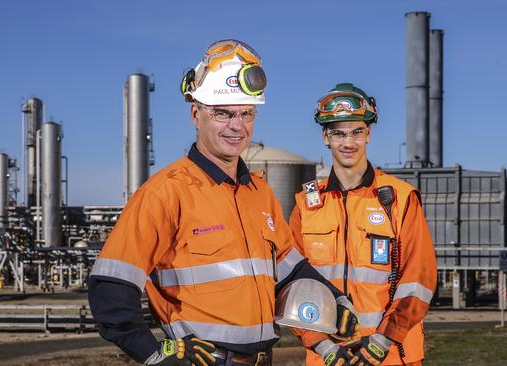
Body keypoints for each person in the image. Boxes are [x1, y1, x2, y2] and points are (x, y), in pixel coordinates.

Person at [88, 40, 357, 366]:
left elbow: (291, 270)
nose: (237, 126)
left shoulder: (259, 193)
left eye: (246, 113)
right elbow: (109, 288)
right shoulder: (164, 194)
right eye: (223, 114)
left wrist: (335, 299)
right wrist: (158, 354)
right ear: (195, 114)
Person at [288, 83, 438, 366]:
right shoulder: (307, 204)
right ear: (325, 137)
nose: (348, 142)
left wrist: (383, 341)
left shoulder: (399, 198)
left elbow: (418, 279)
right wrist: (321, 346)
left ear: (368, 134)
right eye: (339, 133)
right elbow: (293, 283)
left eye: (357, 132)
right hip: (329, 358)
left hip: (392, 356)